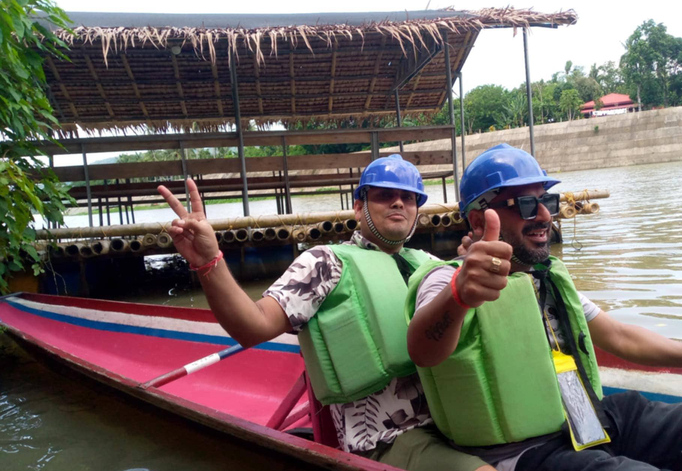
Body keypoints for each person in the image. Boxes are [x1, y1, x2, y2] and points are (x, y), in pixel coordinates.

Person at [405, 143, 682, 471]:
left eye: (546, 202)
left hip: (589, 417)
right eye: (527, 205)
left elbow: (622, 337)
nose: (546, 217)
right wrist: (459, 296)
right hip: (526, 451)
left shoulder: (545, 275)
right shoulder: (447, 280)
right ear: (479, 220)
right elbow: (423, 350)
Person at [158, 154, 494, 471]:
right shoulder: (324, 263)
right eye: (384, 195)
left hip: (455, 417)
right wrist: (209, 261)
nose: (398, 203)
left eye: (409, 199)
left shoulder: (430, 265)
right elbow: (253, 325)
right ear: (359, 207)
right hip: (388, 437)